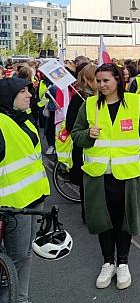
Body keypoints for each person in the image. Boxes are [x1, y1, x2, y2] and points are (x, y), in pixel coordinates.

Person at [71, 63, 140, 290]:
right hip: (98, 176)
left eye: (106, 80)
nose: (101, 85)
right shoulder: (88, 105)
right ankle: (108, 262)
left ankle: (123, 263)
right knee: (103, 223)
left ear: (118, 80)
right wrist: (87, 134)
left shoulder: (136, 104)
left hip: (127, 176)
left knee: (124, 222)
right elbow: (75, 135)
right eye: (98, 81)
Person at [0, 78, 51, 303]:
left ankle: (21, 298)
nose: (29, 95)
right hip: (12, 204)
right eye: (22, 91)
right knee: (17, 257)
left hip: (33, 199)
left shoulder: (25, 120)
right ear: (8, 97)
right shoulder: (1, 123)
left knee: (24, 255)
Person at [63, 63, 98, 222]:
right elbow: (71, 125)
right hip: (83, 148)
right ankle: (88, 215)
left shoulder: (98, 98)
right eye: (97, 79)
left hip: (99, 149)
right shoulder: (79, 98)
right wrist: (88, 130)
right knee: (86, 184)